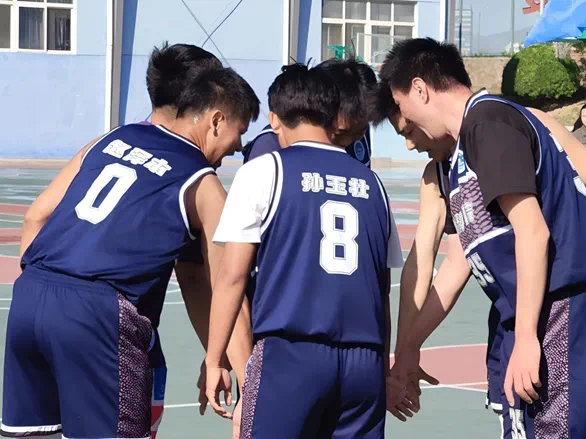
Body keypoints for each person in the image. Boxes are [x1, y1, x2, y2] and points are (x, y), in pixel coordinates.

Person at [1, 66, 259, 439]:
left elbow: (34, 216)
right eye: (240, 130)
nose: (237, 146)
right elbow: (225, 284)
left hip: (30, 297)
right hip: (99, 316)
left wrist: (45, 296)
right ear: (217, 121)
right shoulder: (203, 184)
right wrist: (240, 378)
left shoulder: (111, 139)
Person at [380, 37, 586, 438]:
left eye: (403, 112)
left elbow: (532, 230)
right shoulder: (459, 155)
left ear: (420, 90)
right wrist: (409, 347)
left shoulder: (489, 123)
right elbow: (457, 262)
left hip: (558, 312)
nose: (408, 138)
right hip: (524, 317)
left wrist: (526, 337)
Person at [204, 63, 404, 438]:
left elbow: (231, 277)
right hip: (364, 362)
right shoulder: (373, 185)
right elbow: (382, 292)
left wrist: (215, 359)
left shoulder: (265, 169)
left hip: (291, 353)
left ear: (275, 119)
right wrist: (381, 366)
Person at [143, 42, 224, 438]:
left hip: (38, 308)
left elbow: (37, 216)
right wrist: (221, 359)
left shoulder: (109, 143)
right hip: (115, 330)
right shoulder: (194, 175)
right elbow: (209, 279)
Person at [242, 58, 376, 167]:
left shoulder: (356, 127)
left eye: (358, 133)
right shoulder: (267, 149)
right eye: (339, 133)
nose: (347, 142)